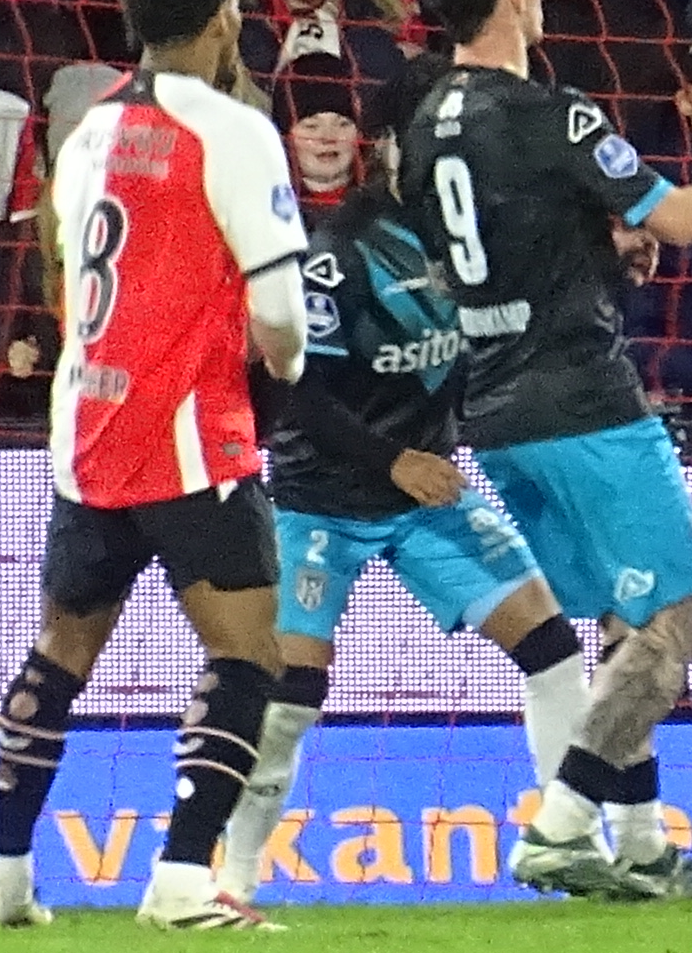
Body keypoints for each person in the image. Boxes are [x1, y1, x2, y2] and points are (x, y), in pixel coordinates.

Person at [399, 0, 692, 887]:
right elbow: (677, 218)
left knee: (623, 628)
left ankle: (640, 849)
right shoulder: (554, 112)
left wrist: (583, 250)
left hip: (494, 410)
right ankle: (560, 825)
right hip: (584, 399)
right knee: (673, 625)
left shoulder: (421, 124)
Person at [0, 0, 312, 937]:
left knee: (61, 653)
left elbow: (64, 269)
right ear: (222, 19)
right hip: (192, 433)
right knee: (249, 653)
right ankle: (179, 880)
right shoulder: (238, 132)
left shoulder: (86, 132)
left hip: (87, 427)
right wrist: (283, 372)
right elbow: (282, 312)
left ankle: (4, 879)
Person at [245, 80, 646, 910]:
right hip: (322, 498)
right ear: (389, 148)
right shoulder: (338, 252)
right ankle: (228, 880)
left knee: (552, 650)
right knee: (291, 698)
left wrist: (614, 267)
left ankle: (570, 843)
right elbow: (296, 393)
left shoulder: (470, 238)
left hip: (427, 491)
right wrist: (392, 460)